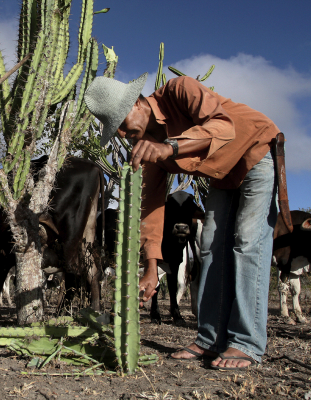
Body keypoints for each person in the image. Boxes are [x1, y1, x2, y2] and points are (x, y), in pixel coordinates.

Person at [84, 73, 280, 370]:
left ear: (137, 103)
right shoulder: (146, 145)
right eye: (116, 131)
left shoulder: (180, 90)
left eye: (122, 124)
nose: (123, 135)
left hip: (256, 151)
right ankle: (209, 339)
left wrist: (170, 147)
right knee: (210, 248)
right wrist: (151, 269)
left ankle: (246, 342)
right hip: (222, 176)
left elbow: (223, 127)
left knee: (247, 243)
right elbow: (149, 207)